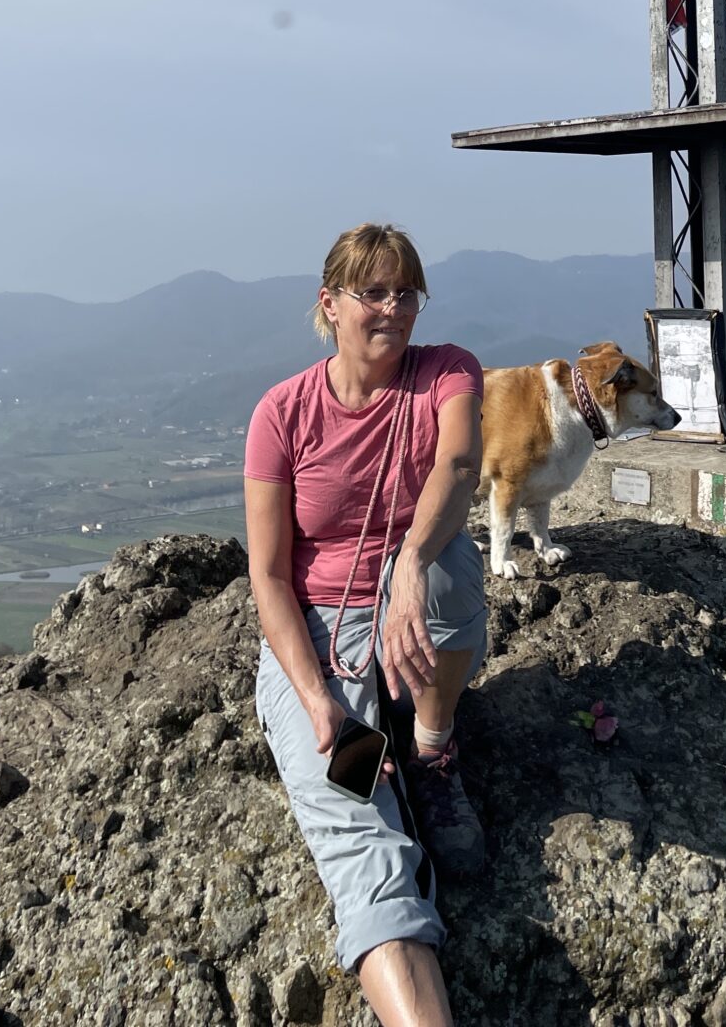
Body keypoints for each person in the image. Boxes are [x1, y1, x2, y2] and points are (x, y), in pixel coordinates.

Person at [244, 223, 487, 1027]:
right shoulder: (282, 413)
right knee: (364, 838)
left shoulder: (446, 373)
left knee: (451, 569)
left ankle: (430, 747)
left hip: (410, 615)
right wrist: (317, 701)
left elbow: (456, 465)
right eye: (373, 292)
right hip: (322, 644)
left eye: (407, 291)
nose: (395, 308)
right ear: (330, 303)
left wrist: (412, 562)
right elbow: (270, 577)